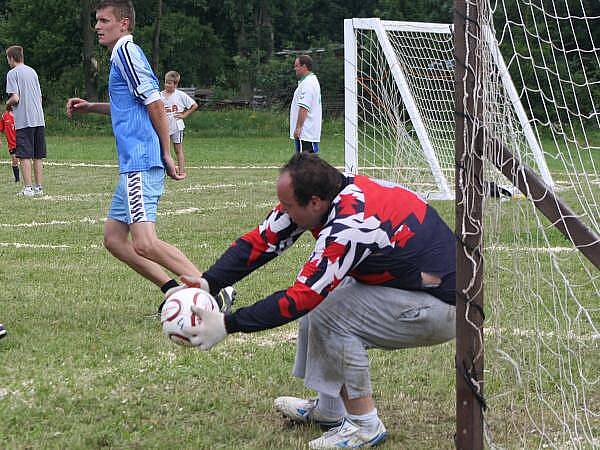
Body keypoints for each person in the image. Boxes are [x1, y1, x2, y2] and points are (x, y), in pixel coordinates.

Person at [170, 153, 457, 449]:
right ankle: (331, 409)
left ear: (315, 202)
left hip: (443, 306)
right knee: (326, 295)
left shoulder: (350, 224)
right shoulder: (332, 198)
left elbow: (300, 299)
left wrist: (228, 323)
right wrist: (210, 282)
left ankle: (364, 424)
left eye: (289, 206)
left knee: (326, 307)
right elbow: (263, 240)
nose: (283, 212)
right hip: (420, 290)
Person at [65, 0, 205, 309]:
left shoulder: (126, 52)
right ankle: (172, 290)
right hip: (133, 162)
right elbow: (132, 106)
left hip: (142, 160)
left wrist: (166, 152)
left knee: (144, 242)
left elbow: (155, 102)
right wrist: (91, 107)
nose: (97, 26)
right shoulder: (120, 56)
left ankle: (211, 288)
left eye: (104, 20)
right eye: (96, 21)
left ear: (124, 24)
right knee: (115, 239)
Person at [5, 45, 46, 196]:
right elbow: (40, 97)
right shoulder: (32, 71)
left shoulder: (12, 73)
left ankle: (28, 188)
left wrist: (7, 104)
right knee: (37, 155)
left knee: (24, 155)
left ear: (11, 58)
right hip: (39, 119)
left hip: (24, 120)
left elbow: (15, 98)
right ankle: (38, 188)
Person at [160, 71, 198, 177]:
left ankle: (181, 171)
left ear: (175, 84)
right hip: (164, 128)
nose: (167, 85)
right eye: (166, 82)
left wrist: (184, 115)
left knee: (178, 149)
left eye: (170, 83)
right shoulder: (159, 96)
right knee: (164, 150)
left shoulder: (180, 95)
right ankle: (168, 169)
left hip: (177, 127)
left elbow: (194, 105)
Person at [290, 55, 322, 153]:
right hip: (308, 133)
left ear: (304, 66)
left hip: (306, 133)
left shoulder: (308, 84)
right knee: (308, 165)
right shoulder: (309, 81)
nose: (295, 68)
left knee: (305, 164)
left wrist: (299, 127)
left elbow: (304, 107)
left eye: (297, 66)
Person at [0, 106, 19, 182]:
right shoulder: (5, 116)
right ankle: (17, 179)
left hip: (22, 141)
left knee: (25, 159)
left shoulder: (20, 114)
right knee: (14, 160)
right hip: (12, 144)